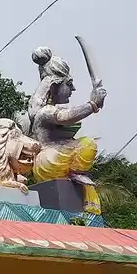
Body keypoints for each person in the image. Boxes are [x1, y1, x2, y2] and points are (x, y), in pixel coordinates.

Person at [24, 46, 108, 214]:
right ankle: (78, 176)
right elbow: (65, 117)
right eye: (69, 84)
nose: (73, 89)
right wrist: (92, 104)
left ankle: (78, 182)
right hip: (50, 159)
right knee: (88, 143)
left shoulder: (43, 111)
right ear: (55, 85)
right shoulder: (45, 111)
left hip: (52, 160)